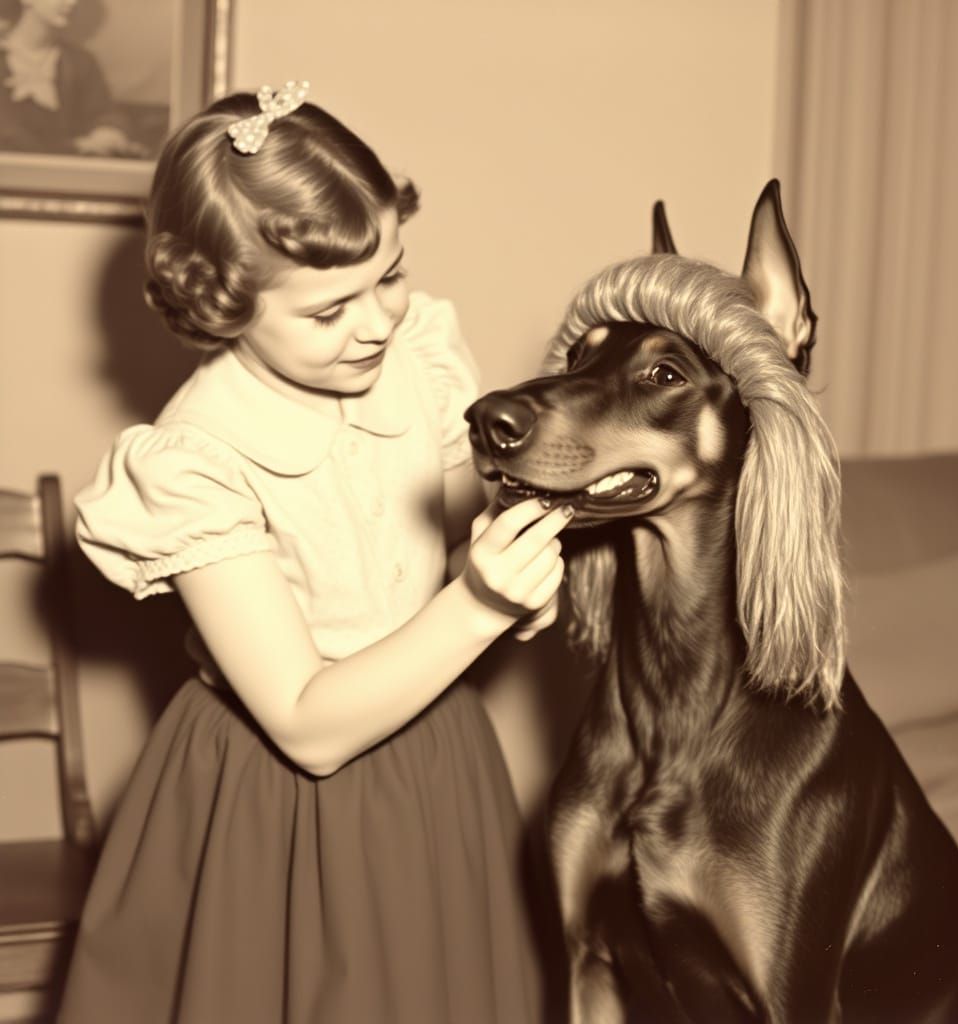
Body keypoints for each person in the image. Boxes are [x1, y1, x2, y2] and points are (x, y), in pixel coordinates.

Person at [59, 81, 569, 1023]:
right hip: (277, 804)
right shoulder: (197, 459)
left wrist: (512, 573)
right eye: (330, 310)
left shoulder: (417, 358)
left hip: (436, 757)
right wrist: (480, 606)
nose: (377, 321)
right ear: (222, 303)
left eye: (390, 275)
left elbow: (450, 544)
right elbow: (306, 726)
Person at [0, 0, 147, 156]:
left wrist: (108, 131)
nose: (72, 2)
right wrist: (73, 146)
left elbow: (103, 111)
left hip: (66, 167)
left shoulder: (79, 61)